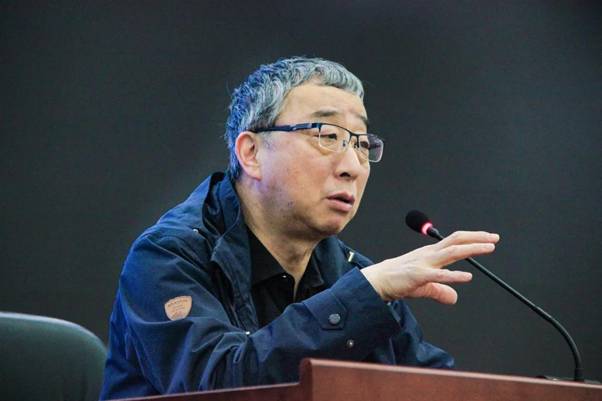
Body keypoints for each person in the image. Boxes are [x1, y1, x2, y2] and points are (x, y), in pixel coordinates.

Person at [100, 57, 499, 399]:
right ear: (251, 153)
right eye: (327, 136)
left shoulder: (352, 274)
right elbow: (219, 387)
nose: (352, 166)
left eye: (361, 144)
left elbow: (434, 387)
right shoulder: (167, 256)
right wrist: (365, 295)